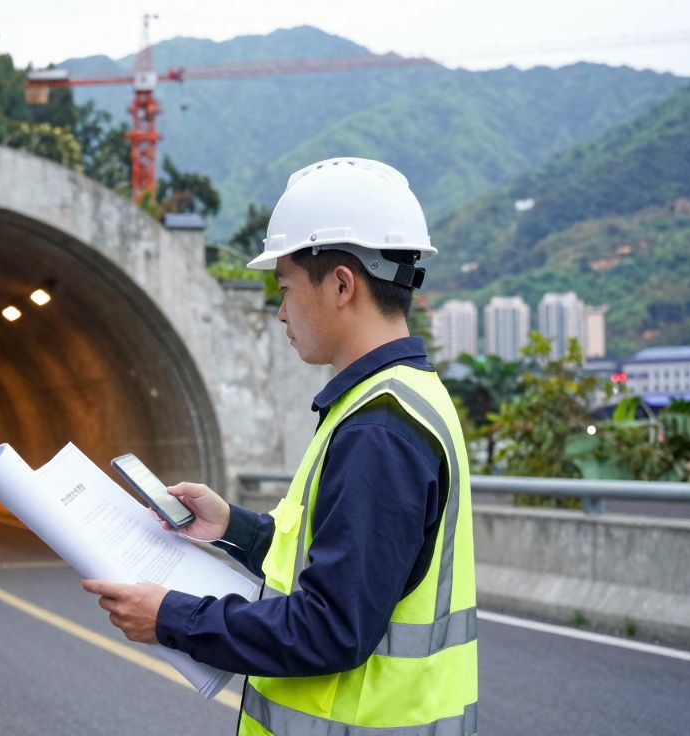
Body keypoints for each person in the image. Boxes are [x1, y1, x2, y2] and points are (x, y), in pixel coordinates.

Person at [83, 157, 478, 735]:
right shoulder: (404, 398)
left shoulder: (379, 431)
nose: (279, 311)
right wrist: (232, 529)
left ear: (342, 284)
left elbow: (330, 628)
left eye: (287, 287)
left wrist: (171, 618)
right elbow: (338, 564)